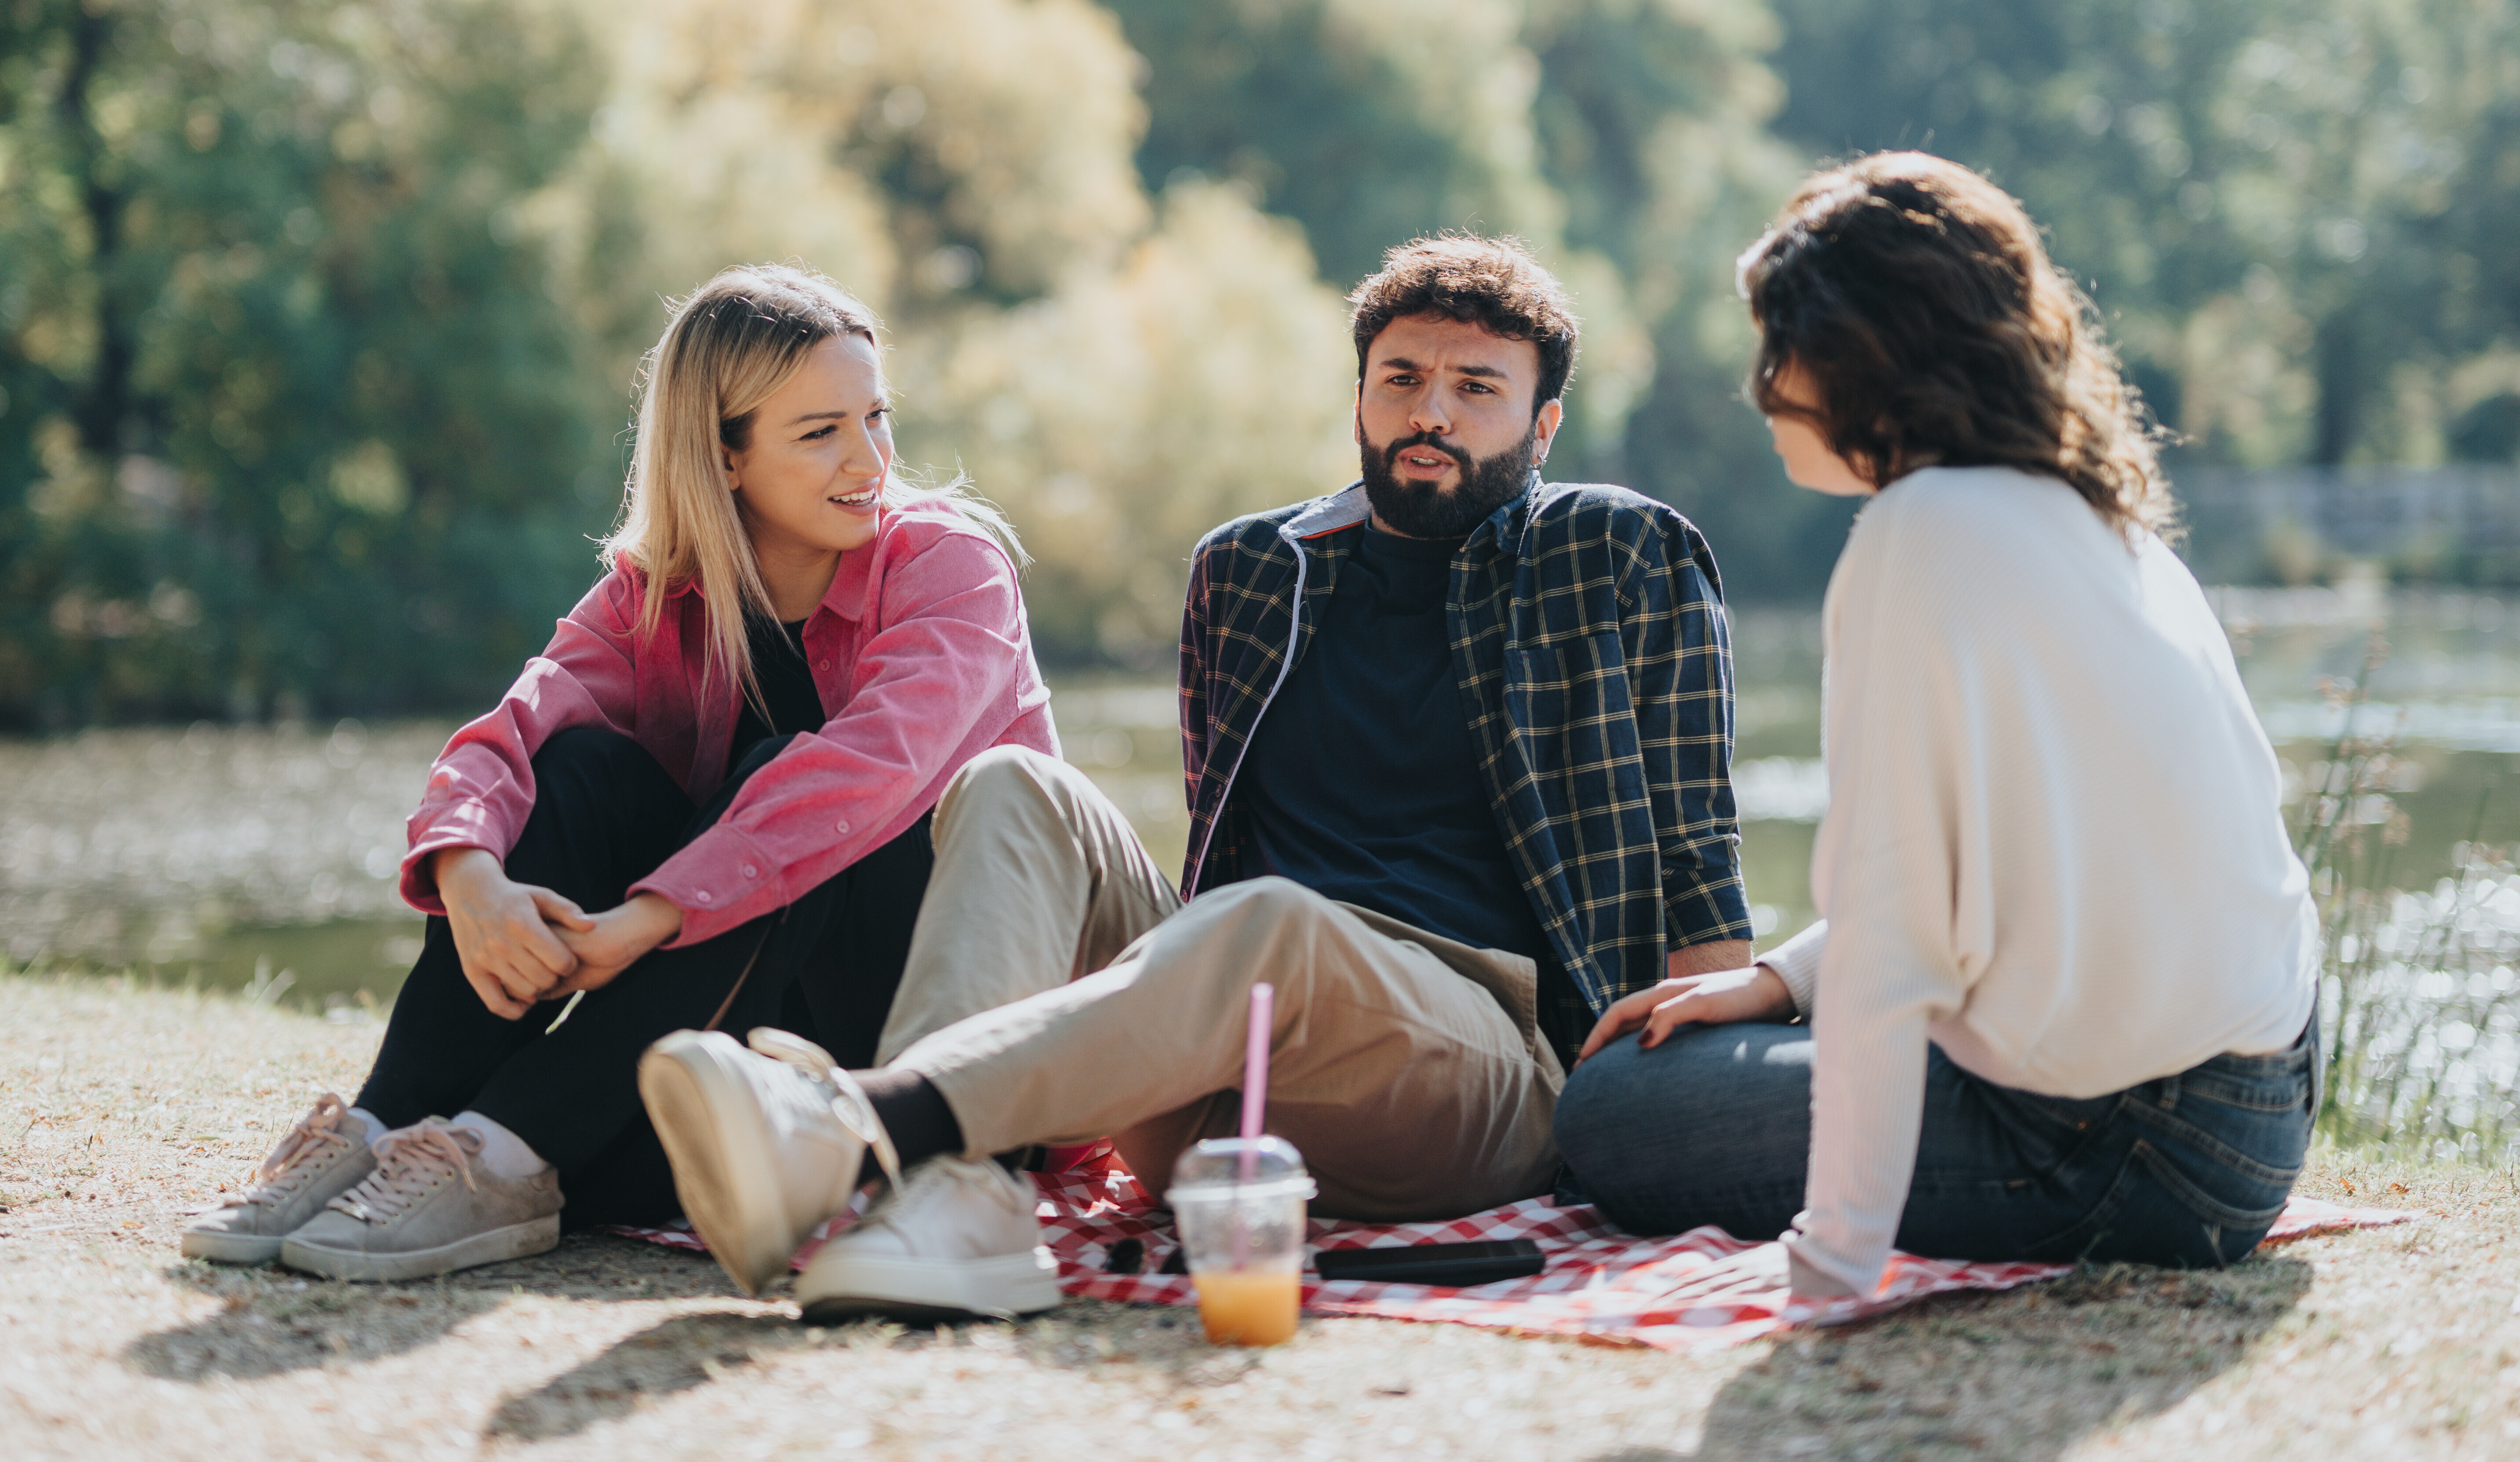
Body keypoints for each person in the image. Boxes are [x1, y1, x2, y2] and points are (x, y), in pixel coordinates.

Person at [632, 234, 1758, 1320]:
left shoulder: (1615, 551)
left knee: (1269, 926)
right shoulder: (1252, 568)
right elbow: (1214, 846)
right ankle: (954, 1198)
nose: (1431, 411)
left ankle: (852, 1129)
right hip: (1233, 1087)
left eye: (1477, 387)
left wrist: (1693, 1119)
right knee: (1018, 784)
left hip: (1482, 1081)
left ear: (1543, 423)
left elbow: (1696, 850)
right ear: (1358, 397)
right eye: (1402, 378)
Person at [179, 265, 1056, 1282]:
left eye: (875, 416)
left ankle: (507, 1149)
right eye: (822, 432)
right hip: (716, 1031)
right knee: (576, 769)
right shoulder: (660, 594)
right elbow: (513, 731)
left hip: (908, 1059)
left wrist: (649, 917)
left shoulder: (951, 568)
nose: (871, 459)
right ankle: (390, 1124)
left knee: (789, 780)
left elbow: (860, 774)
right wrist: (470, 876)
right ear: (723, 456)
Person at [1551, 153, 2321, 1301]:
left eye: (1781, 345)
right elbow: (1997, 869)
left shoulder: (1919, 531)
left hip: (2124, 1149)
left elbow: (1894, 941)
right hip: (2264, 1106)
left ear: (1862, 352)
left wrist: (1833, 1259)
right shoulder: (2091, 515)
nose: (1763, 385)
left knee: (1610, 1104)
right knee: (1698, 1047)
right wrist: (1778, 980)